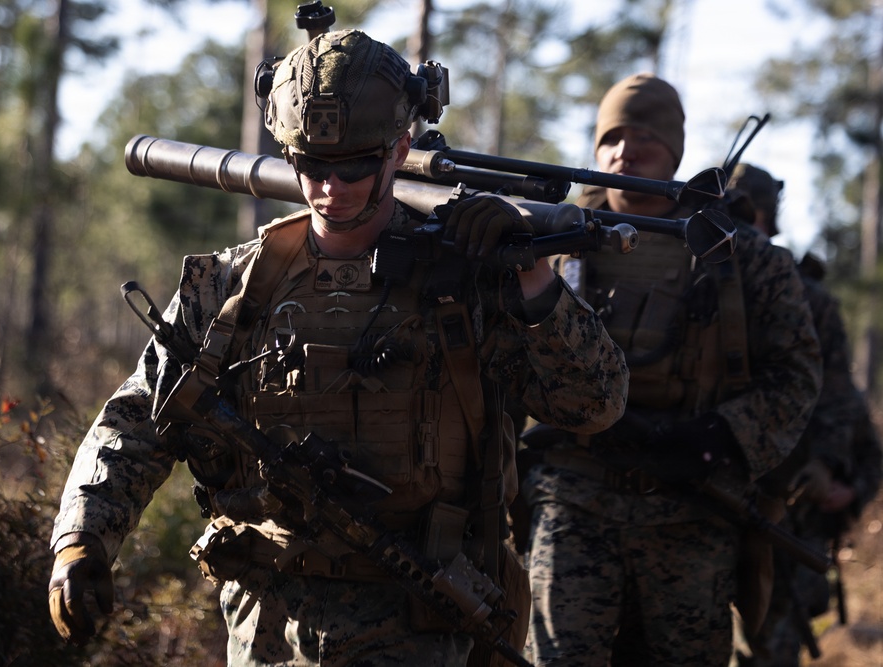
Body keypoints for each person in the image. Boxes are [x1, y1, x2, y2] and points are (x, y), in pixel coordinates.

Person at [47, 29, 630, 667]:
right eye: (312, 165)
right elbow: (137, 420)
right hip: (268, 629)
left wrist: (533, 279)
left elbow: (594, 405)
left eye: (355, 164)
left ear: (401, 147)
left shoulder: (472, 281)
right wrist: (81, 538)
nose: (331, 187)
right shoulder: (233, 286)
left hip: (422, 624)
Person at [519, 73, 823, 666]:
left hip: (691, 509)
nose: (623, 152)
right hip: (573, 497)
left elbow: (798, 372)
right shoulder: (548, 241)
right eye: (611, 137)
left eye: (643, 138)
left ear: (676, 150)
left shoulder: (744, 257)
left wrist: (719, 438)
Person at [726, 163, 883, 666]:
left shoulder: (805, 296)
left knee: (769, 644)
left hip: (785, 509)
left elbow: (839, 403)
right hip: (698, 493)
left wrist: (828, 474)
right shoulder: (692, 276)